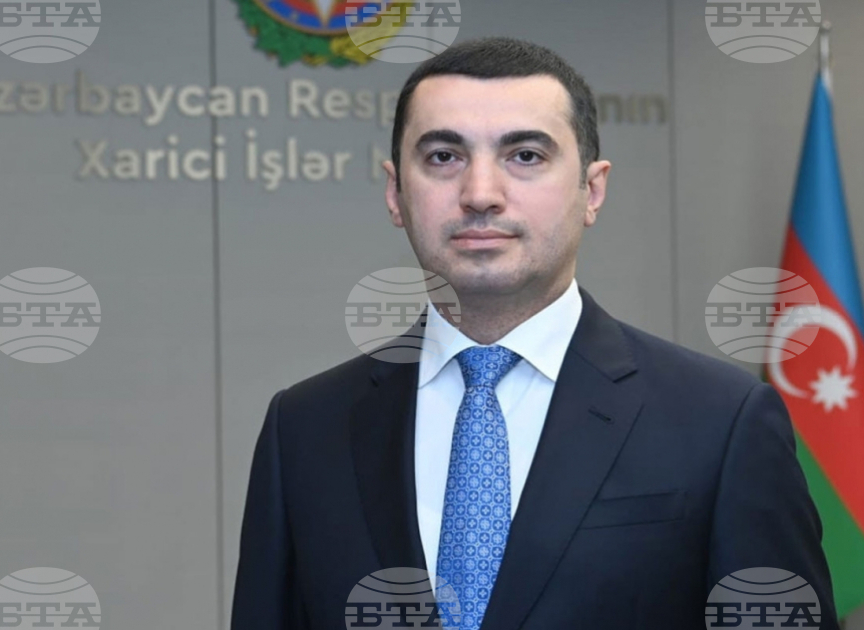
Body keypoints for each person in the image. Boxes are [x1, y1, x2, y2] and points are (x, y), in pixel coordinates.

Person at [231, 37, 839, 629]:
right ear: (395, 192)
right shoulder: (305, 429)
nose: (480, 194)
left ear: (592, 190)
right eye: (443, 157)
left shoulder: (721, 421)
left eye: (524, 156)